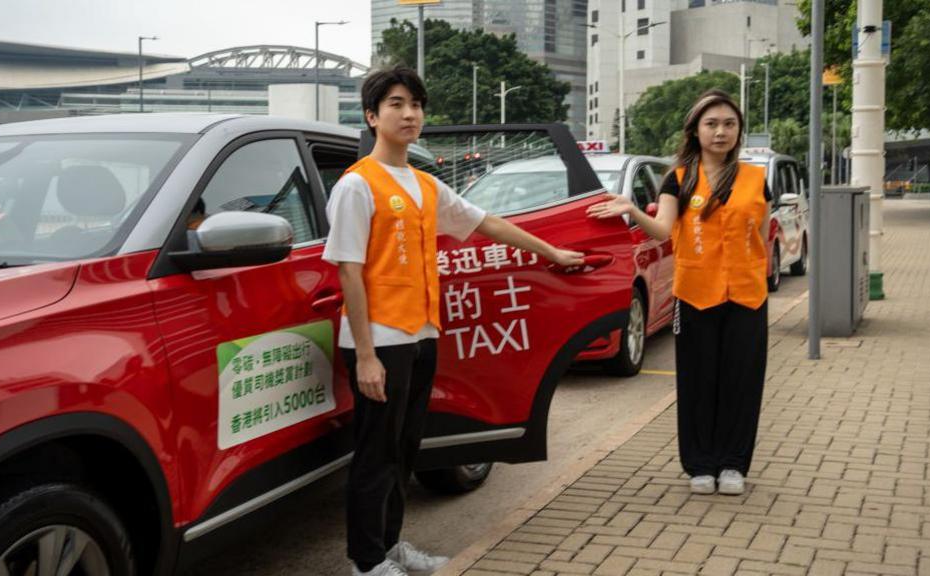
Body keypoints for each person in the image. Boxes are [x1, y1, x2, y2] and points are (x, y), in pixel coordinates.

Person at [323, 66, 585, 576]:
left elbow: (484, 221)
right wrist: (368, 356)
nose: (410, 113)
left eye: (416, 104)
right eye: (396, 104)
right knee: (375, 454)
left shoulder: (424, 185)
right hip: (378, 340)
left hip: (421, 334)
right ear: (373, 116)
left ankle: (392, 547)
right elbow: (348, 273)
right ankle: (366, 560)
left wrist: (551, 249)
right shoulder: (357, 186)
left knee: (403, 450)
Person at [587, 89, 771, 496]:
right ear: (695, 130)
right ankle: (701, 464)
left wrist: (756, 273)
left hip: (747, 296)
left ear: (739, 131)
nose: (720, 132)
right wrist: (631, 210)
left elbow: (761, 235)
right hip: (695, 295)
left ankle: (734, 464)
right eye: (711, 124)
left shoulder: (756, 179)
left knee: (742, 382)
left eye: (728, 124)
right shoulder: (680, 178)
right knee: (698, 380)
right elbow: (664, 229)